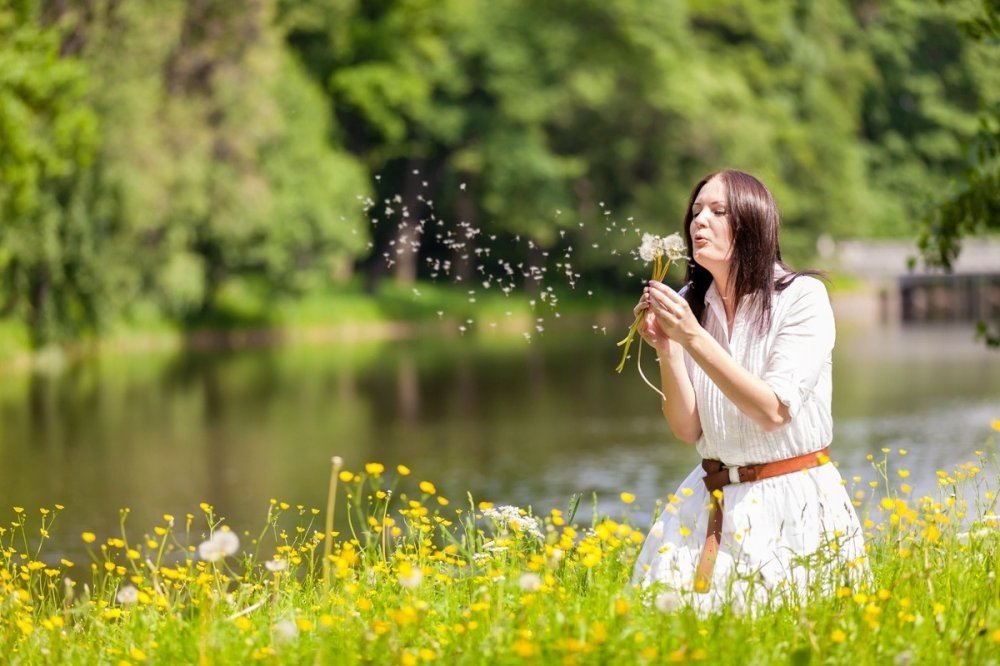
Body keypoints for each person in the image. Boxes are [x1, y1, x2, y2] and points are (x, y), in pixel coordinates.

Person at [630, 169, 866, 612]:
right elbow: (686, 428)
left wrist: (692, 339)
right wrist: (667, 347)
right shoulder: (695, 306)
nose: (699, 221)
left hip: (790, 500)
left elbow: (773, 411)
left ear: (753, 223)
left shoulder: (802, 299)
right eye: (696, 211)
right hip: (711, 498)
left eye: (718, 211)